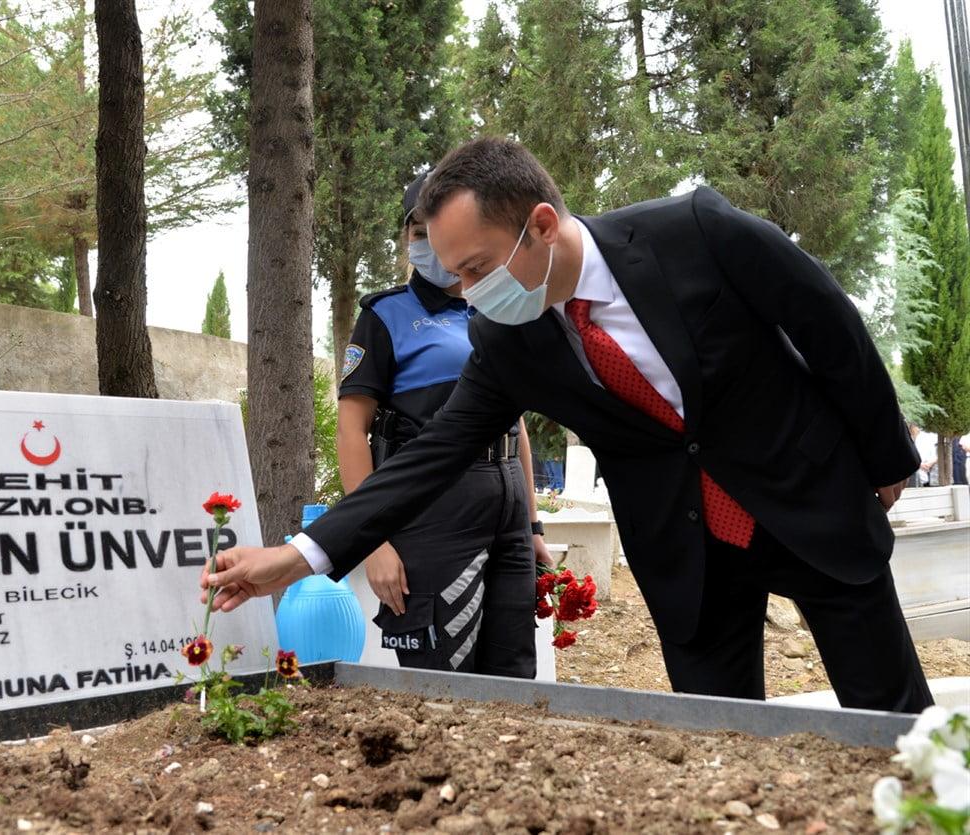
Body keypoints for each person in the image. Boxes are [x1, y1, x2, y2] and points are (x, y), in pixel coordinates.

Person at [204, 138, 932, 714]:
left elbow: (828, 323)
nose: (466, 291)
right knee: (726, 743)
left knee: (892, 723)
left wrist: (883, 459)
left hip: (809, 504)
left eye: (477, 266)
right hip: (689, 557)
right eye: (454, 274)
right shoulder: (506, 341)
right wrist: (298, 555)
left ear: (541, 226)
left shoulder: (696, 232)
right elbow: (427, 459)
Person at [338, 171, 551, 677]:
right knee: (443, 677)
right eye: (417, 232)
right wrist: (372, 541)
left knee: (515, 673)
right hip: (433, 511)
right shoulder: (385, 316)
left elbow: (514, 424)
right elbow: (352, 431)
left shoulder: (498, 308)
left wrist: (533, 525)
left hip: (508, 511)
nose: (428, 244)